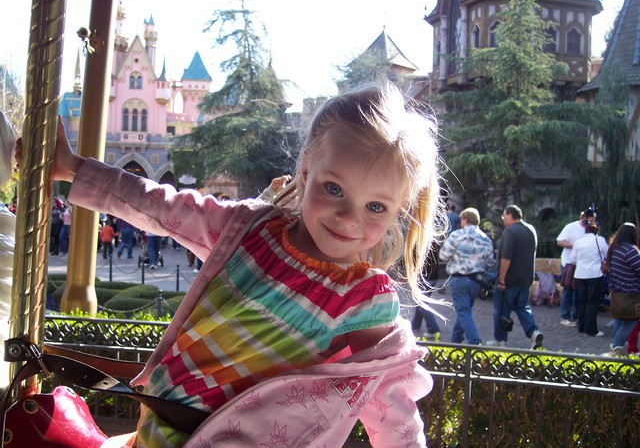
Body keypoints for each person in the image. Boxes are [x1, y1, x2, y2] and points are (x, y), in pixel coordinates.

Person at [21, 84, 444, 447]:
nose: (349, 217)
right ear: (306, 168)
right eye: (334, 188)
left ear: (398, 211)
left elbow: (391, 406)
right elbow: (158, 205)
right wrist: (73, 168)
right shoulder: (250, 229)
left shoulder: (363, 301)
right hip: (161, 424)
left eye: (375, 206)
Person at [487, 205, 544, 349]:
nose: (503, 218)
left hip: (509, 279)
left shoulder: (510, 232)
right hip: (526, 278)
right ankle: (533, 332)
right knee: (522, 307)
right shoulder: (531, 230)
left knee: (501, 310)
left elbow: (506, 257)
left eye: (504, 215)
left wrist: (501, 279)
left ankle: (500, 340)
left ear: (511, 215)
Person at [439, 207, 494, 345]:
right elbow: (490, 262)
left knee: (463, 311)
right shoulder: (485, 238)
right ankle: (456, 340)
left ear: (465, 220)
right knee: (465, 311)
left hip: (459, 278)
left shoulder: (457, 235)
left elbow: (443, 255)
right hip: (476, 280)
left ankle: (474, 342)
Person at [556, 208, 597, 326]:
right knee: (568, 290)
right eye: (589, 221)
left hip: (582, 265)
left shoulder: (591, 230)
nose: (591, 223)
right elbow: (559, 241)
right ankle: (565, 316)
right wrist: (575, 245)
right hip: (569, 263)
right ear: (583, 218)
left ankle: (576, 316)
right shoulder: (571, 227)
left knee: (579, 292)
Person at [605, 222, 640, 357]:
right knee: (631, 321)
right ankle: (616, 348)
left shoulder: (614, 249)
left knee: (619, 321)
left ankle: (617, 350)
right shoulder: (630, 251)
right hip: (631, 294)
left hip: (617, 293)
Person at [570, 222, 608, 337]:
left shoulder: (578, 242)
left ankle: (581, 327)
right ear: (596, 231)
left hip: (580, 275)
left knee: (582, 302)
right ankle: (591, 329)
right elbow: (607, 254)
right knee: (592, 302)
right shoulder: (599, 240)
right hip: (595, 274)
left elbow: (572, 259)